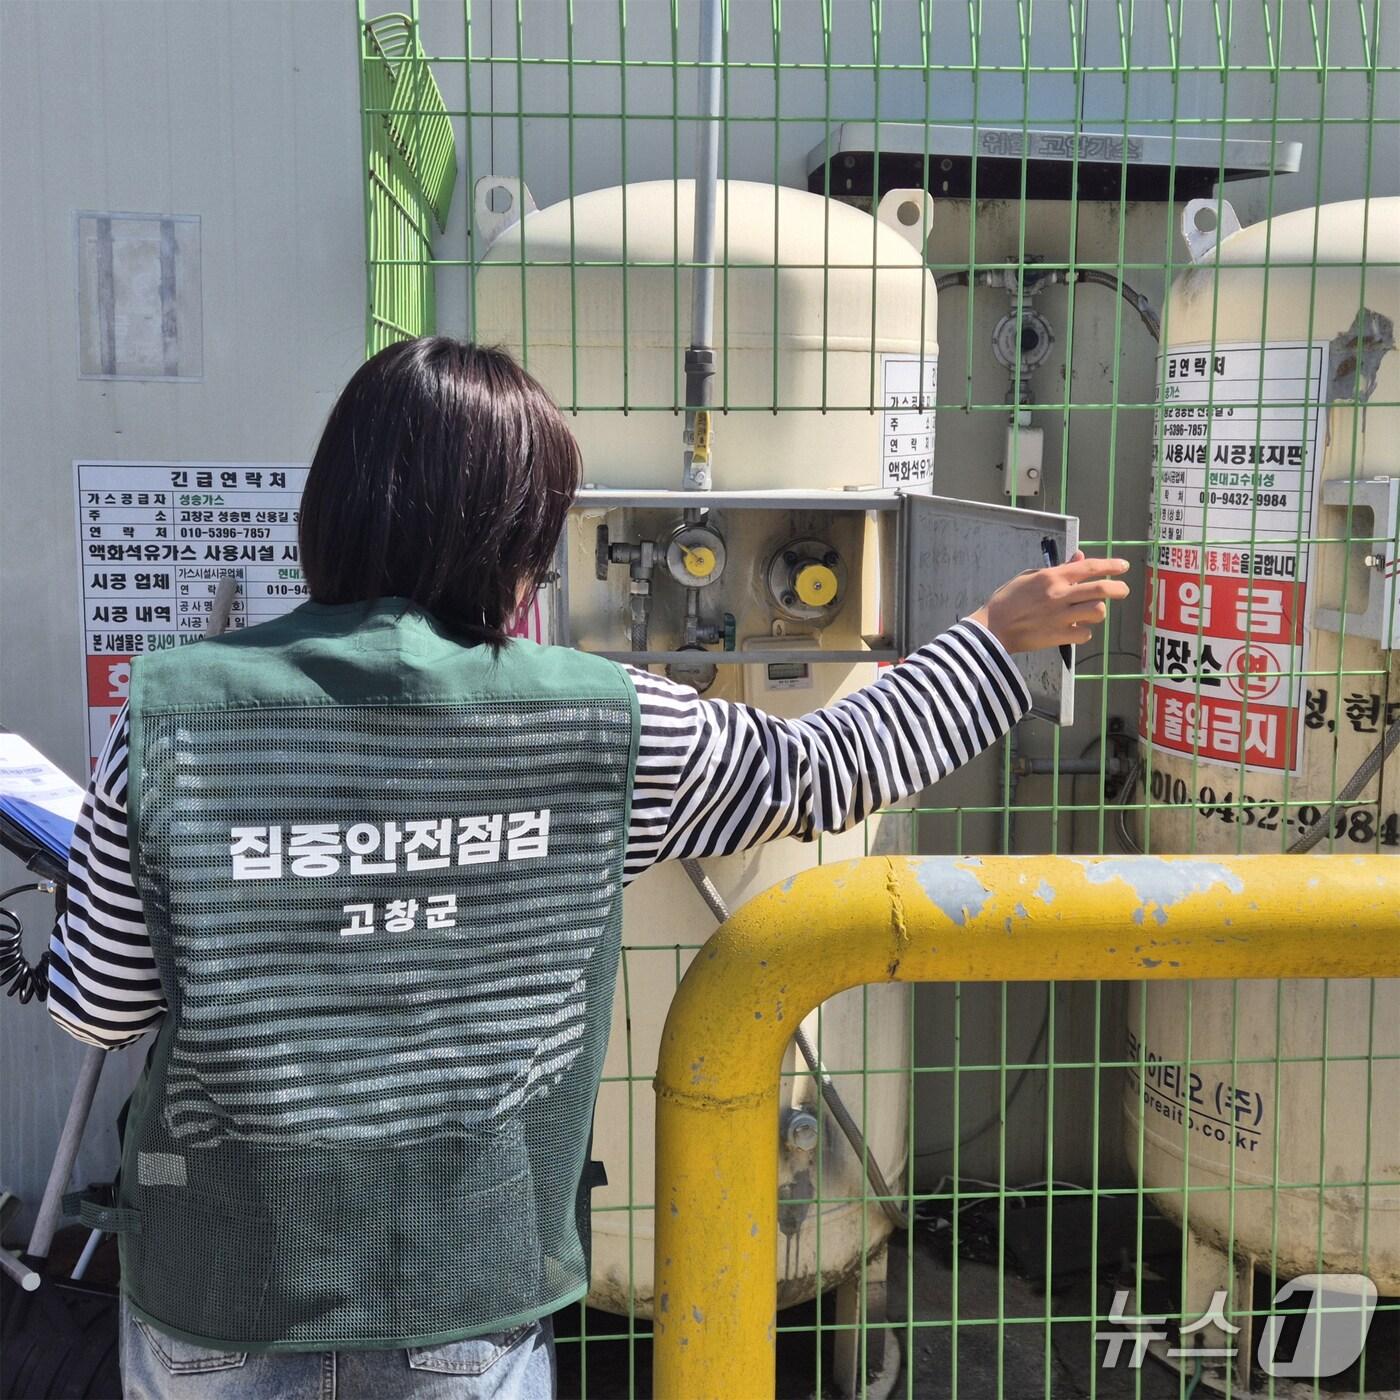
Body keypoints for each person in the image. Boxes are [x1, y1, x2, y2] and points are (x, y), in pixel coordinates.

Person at [47, 338, 1129, 1399]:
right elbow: (823, 769)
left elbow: (97, 1007)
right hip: (464, 1287)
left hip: (224, 1290)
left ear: (331, 504)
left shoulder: (171, 716)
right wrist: (991, 639)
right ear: (515, 540)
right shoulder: (602, 720)